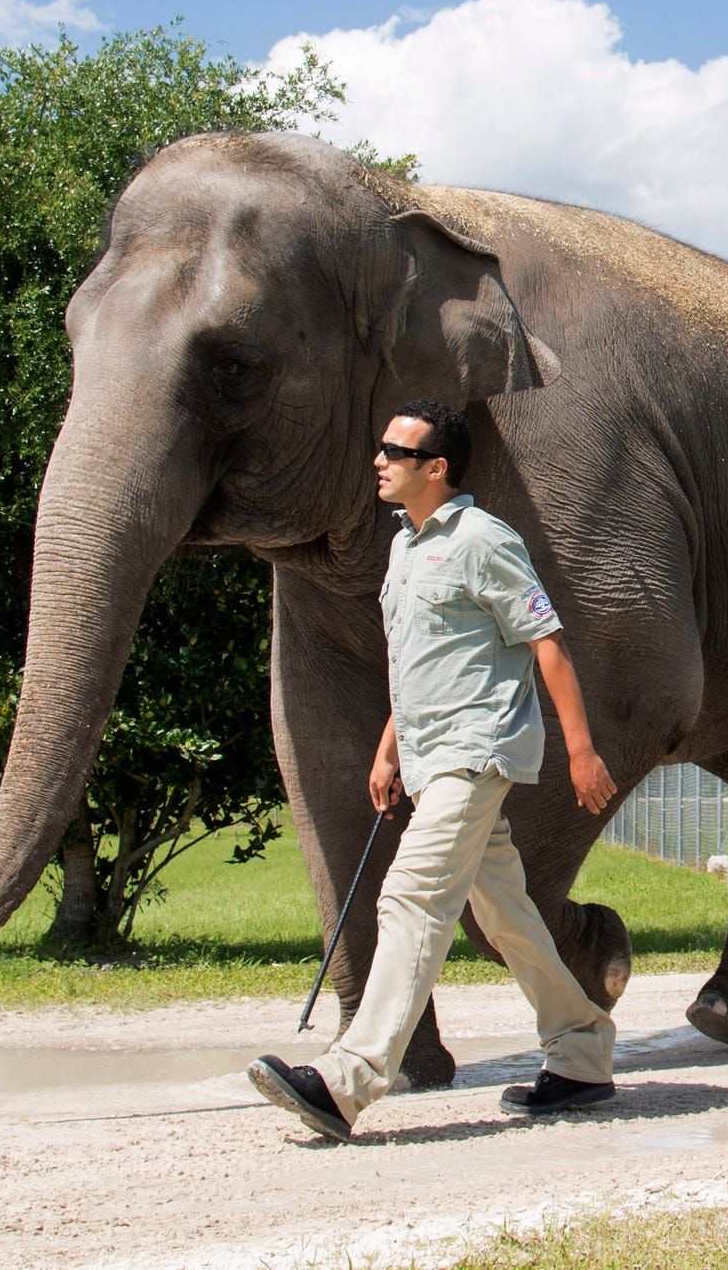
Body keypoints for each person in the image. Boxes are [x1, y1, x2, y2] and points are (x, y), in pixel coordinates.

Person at [249, 400, 622, 1139]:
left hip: (475, 751)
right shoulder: (404, 549)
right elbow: (419, 663)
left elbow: (546, 641)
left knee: (412, 896)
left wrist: (581, 752)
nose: (379, 459)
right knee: (506, 916)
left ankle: (348, 1079)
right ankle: (581, 1051)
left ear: (436, 467)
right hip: (428, 753)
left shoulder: (485, 540)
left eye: (396, 449)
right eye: (380, 446)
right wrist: (390, 748)